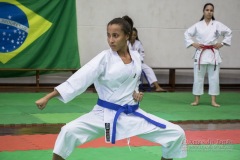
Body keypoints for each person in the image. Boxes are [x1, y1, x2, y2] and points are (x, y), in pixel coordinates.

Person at [36, 16, 187, 160]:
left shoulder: (135, 57)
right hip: (103, 114)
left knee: (176, 133)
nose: (110, 40)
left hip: (131, 113)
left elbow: (134, 81)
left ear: (127, 36)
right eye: (108, 35)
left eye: (115, 35)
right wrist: (49, 96)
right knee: (67, 131)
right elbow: (80, 78)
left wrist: (137, 92)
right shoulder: (104, 58)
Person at [184, 3, 232, 107]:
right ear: (203, 11)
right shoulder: (198, 25)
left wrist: (222, 43)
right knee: (198, 77)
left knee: (214, 78)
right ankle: (196, 100)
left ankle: (213, 100)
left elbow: (229, 32)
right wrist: (193, 43)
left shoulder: (217, 24)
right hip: (201, 53)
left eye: (211, 10)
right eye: (207, 10)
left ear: (213, 12)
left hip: (213, 53)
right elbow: (186, 34)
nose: (209, 12)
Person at [128, 27, 167, 92]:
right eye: (132, 35)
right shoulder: (126, 43)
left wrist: (138, 61)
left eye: (135, 35)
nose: (133, 36)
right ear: (129, 35)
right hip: (129, 63)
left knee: (149, 69)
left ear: (136, 35)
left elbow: (142, 54)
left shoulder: (138, 43)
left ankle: (157, 87)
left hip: (139, 62)